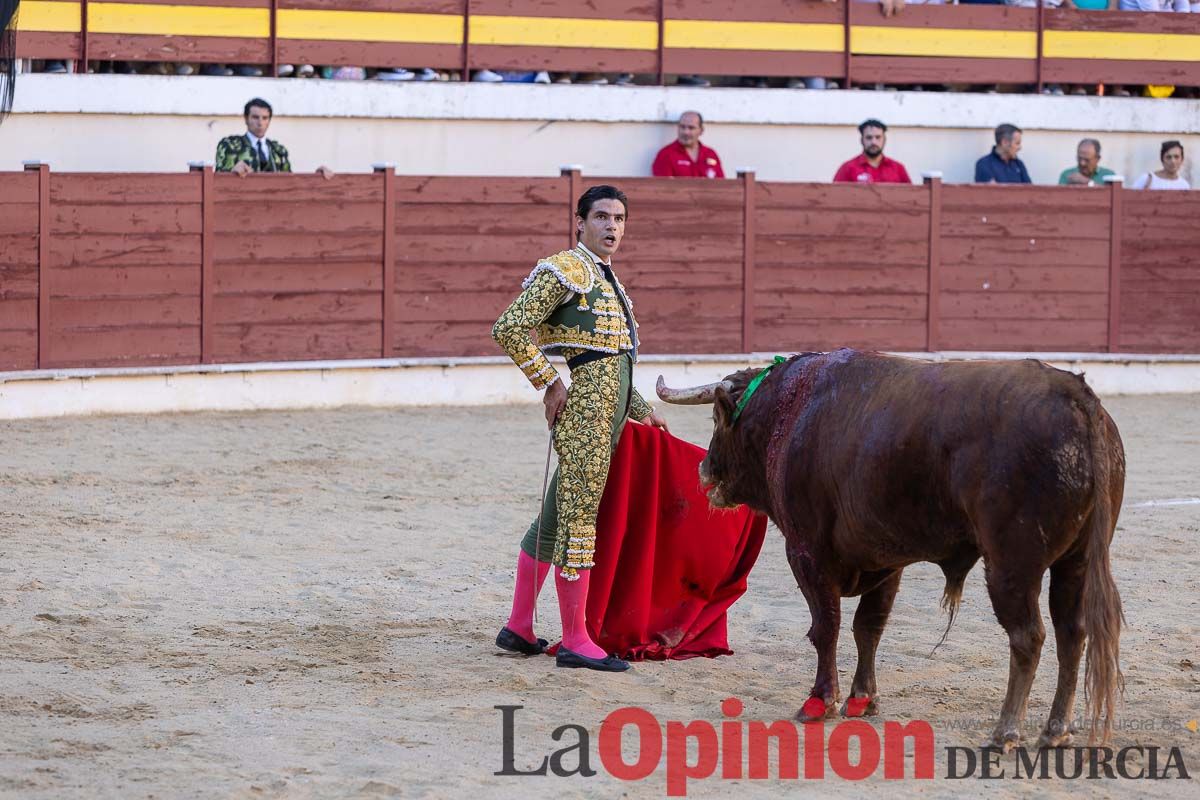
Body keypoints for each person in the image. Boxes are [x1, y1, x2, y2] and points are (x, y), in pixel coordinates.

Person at [492, 185, 669, 672]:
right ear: (580, 222)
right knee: (577, 522)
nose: (612, 226)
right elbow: (507, 327)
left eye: (619, 218)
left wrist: (638, 408)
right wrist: (549, 382)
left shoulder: (605, 277)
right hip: (587, 415)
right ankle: (575, 639)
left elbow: (610, 360)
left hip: (605, 409)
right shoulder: (567, 269)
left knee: (555, 518)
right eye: (602, 217)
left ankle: (519, 627)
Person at [215, 98, 334, 179]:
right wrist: (232, 172)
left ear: (269, 121)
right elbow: (218, 179)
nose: (260, 123)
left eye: (265, 118)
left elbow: (289, 182)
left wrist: (317, 177)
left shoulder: (278, 150)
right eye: (255, 117)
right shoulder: (230, 145)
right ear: (246, 119)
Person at [832, 119, 912, 184]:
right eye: (869, 137)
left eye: (878, 137)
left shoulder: (898, 168)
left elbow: (910, 197)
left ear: (884, 140)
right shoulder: (847, 168)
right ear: (861, 140)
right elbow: (834, 197)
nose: (874, 142)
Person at [651, 111, 725, 179]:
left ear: (701, 130)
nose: (686, 132)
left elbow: (721, 185)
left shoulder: (711, 154)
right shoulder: (666, 154)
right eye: (682, 127)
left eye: (691, 128)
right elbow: (663, 188)